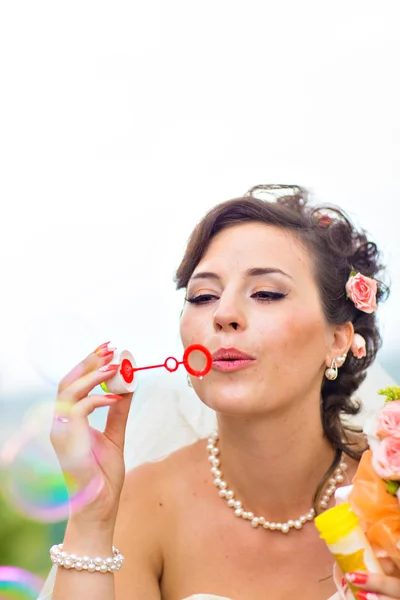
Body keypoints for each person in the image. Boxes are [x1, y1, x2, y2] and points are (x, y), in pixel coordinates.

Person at [40, 185, 400, 600]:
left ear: (338, 339)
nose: (223, 314)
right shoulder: (144, 504)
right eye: (203, 296)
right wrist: (91, 522)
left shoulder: (389, 491)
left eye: (266, 293)